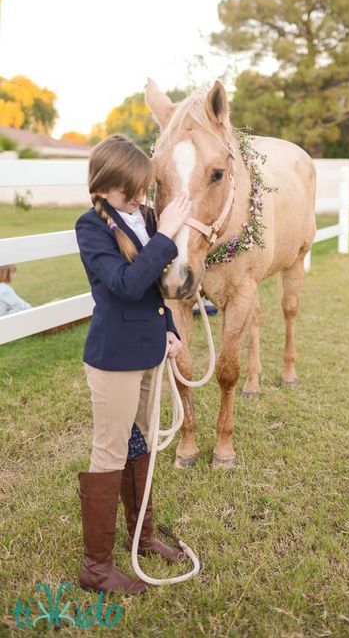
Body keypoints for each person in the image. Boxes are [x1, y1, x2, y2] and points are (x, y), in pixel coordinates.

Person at [75, 133, 192, 596]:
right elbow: (125, 284)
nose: (142, 198)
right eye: (132, 190)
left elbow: (153, 288)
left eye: (144, 188)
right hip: (113, 359)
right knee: (111, 450)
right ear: (104, 187)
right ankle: (96, 568)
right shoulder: (91, 227)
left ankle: (141, 536)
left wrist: (171, 330)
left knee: (141, 445)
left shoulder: (142, 216)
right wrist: (164, 237)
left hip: (148, 349)